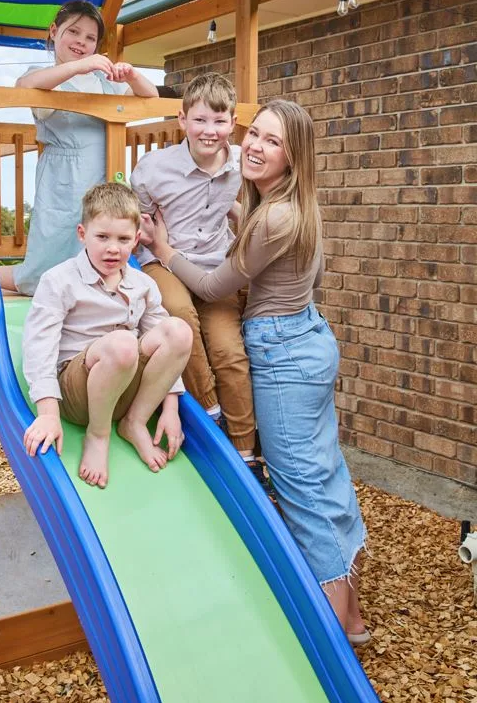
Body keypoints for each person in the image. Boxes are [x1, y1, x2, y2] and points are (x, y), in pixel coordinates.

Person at [144, 99, 369, 641]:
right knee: (324, 471)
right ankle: (354, 616)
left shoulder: (277, 216)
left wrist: (164, 249)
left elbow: (215, 288)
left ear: (293, 158)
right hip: (309, 338)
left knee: (300, 490)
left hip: (282, 353)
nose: (253, 146)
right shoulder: (287, 206)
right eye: (255, 134)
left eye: (272, 141)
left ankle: (330, 639)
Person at [131, 75, 264, 488]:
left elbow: (252, 205)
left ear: (233, 123)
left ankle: (245, 453)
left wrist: (243, 218)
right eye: (200, 120)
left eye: (220, 121)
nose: (210, 131)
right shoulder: (153, 169)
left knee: (229, 350)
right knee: (178, 315)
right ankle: (209, 416)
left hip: (215, 270)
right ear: (182, 119)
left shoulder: (242, 163)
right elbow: (139, 222)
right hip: (165, 263)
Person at [21, 182, 193, 489]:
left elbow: (166, 352)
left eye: (123, 239)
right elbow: (39, 347)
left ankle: (134, 422)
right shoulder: (60, 281)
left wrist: (170, 409)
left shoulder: (143, 284)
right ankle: (98, 436)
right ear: (82, 234)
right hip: (79, 391)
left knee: (178, 331)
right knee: (124, 343)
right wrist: (48, 412)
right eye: (102, 237)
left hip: (125, 389)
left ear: (136, 239)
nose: (112, 248)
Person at [0, 0, 158, 295]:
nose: (81, 42)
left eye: (90, 38)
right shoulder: (46, 76)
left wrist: (132, 75)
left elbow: (151, 96)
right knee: (51, 255)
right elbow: (24, 87)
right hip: (63, 176)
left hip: (103, 172)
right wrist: (76, 67)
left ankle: (89, 293)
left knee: (97, 243)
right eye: (74, 32)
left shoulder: (104, 80)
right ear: (54, 31)